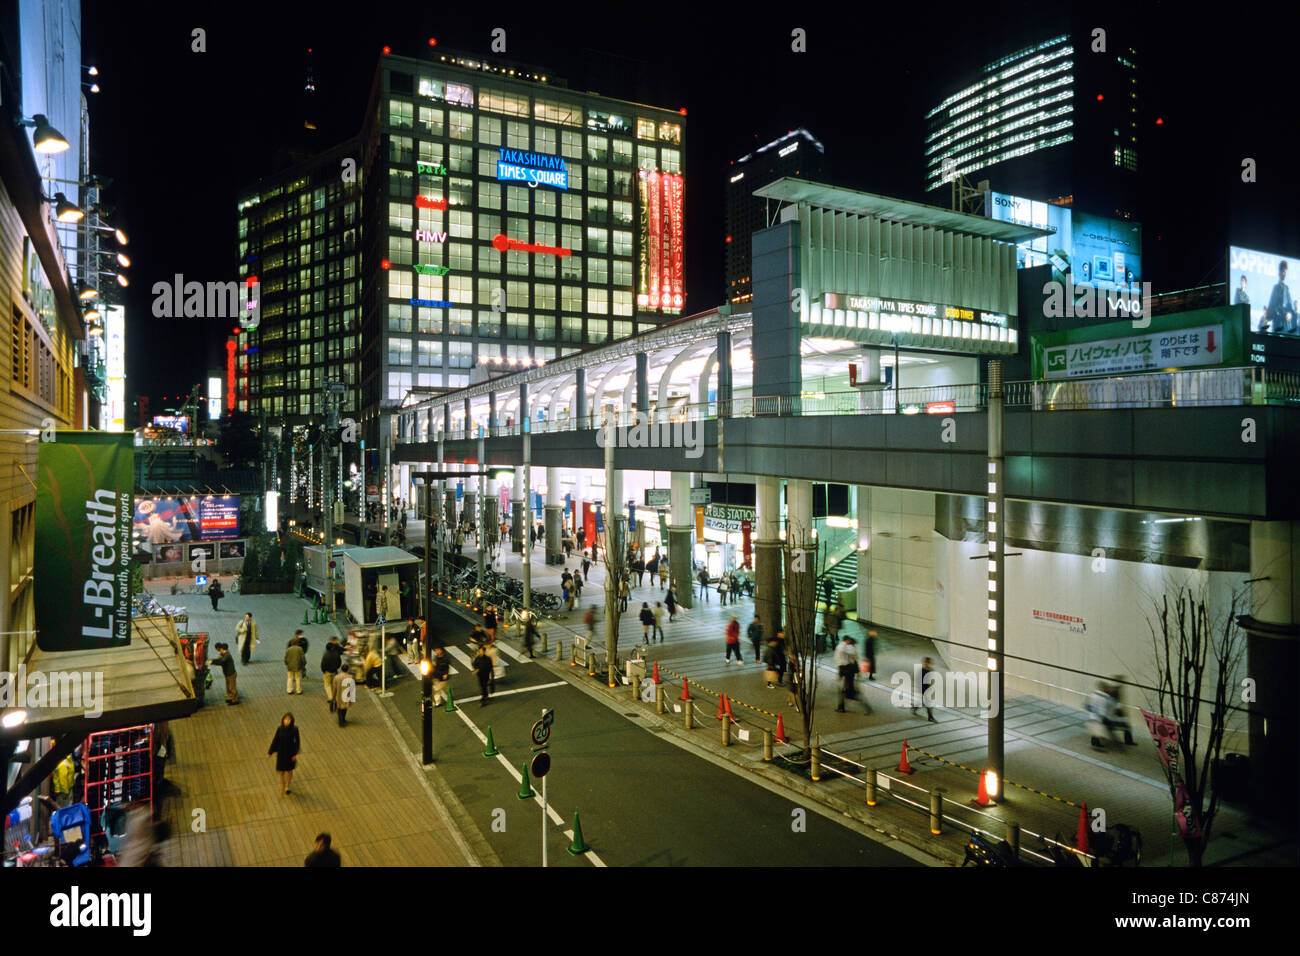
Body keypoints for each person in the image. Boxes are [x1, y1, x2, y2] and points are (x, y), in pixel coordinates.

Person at [267, 713, 300, 795]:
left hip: (290, 753)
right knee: (281, 771)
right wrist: (270, 752)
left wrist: (296, 753)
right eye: (285, 719)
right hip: (281, 752)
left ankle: (287, 786)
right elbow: (275, 740)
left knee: (289, 770)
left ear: (291, 721)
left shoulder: (294, 729)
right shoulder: (280, 729)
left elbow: (297, 742)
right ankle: (282, 784)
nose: (287, 721)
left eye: (289, 720)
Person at [1266, 259, 1295, 333]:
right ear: (1279, 273)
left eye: (1285, 272)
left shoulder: (1287, 289)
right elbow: (1272, 304)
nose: (1284, 274)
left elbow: (1290, 306)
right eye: (1283, 272)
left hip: (1286, 324)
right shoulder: (1275, 288)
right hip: (1278, 322)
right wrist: (1269, 317)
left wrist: (1289, 313)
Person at [834, 636, 861, 712]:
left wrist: (840, 675)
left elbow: (842, 663)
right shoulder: (848, 649)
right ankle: (842, 705)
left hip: (847, 670)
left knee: (845, 689)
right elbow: (853, 660)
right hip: (849, 670)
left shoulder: (844, 648)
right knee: (847, 688)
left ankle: (842, 706)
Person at [321, 637, 343, 712]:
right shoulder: (336, 654)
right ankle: (335, 696)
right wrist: (336, 668)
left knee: (327, 685)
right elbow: (339, 663)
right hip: (334, 671)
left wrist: (324, 671)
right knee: (334, 684)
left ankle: (330, 697)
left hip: (327, 672)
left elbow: (323, 664)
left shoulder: (325, 655)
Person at [912, 656, 936, 722]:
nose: (928, 664)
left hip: (927, 689)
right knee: (928, 704)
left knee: (923, 702)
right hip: (924, 689)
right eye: (927, 662)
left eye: (929, 663)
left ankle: (915, 707)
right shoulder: (922, 670)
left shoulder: (930, 669)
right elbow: (918, 680)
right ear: (924, 663)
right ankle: (930, 717)